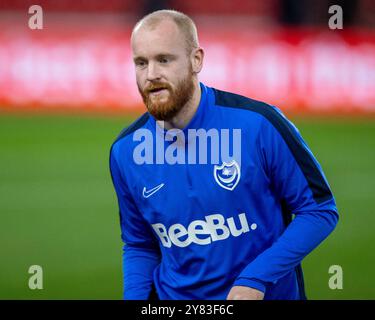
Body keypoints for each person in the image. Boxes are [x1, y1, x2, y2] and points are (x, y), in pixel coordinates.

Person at [109, 9, 339, 300]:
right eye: (141, 63)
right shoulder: (125, 152)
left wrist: (257, 279)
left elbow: (319, 210)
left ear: (196, 60)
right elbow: (140, 244)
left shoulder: (259, 125)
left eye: (164, 60)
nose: (151, 74)